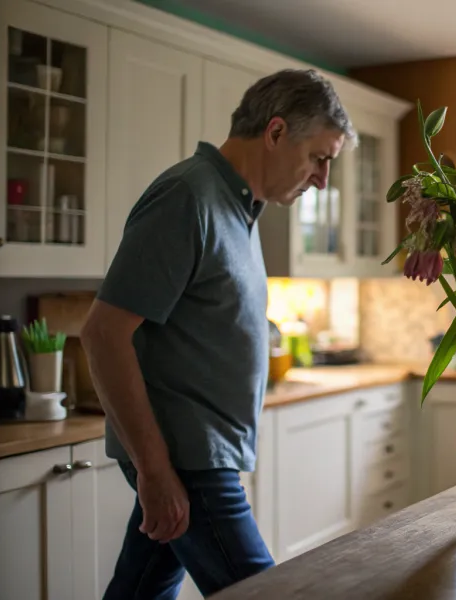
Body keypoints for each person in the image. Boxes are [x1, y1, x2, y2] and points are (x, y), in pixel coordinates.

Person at [80, 68, 355, 600]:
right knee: (267, 591)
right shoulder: (189, 196)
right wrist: (155, 473)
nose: (323, 178)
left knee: (142, 588)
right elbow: (103, 335)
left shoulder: (240, 209)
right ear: (275, 133)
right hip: (191, 462)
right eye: (320, 158)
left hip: (202, 456)